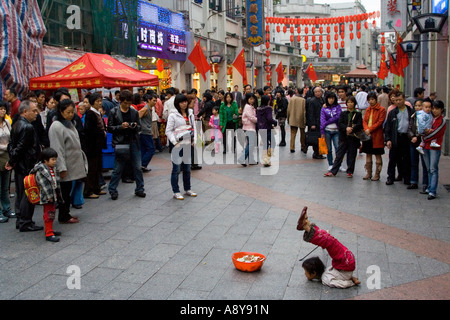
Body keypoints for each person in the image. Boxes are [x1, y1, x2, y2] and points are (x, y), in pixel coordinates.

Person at [297, 207, 360, 288]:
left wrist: (350, 283)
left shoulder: (325, 279)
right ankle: (307, 225)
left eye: (306, 272)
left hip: (345, 264)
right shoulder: (327, 272)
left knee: (329, 241)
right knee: (330, 241)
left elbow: (342, 284)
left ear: (313, 273)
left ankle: (306, 226)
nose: (304, 274)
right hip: (346, 262)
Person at [48, 99, 88, 224]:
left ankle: (66, 213)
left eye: (72, 112)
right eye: (68, 112)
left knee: (68, 189)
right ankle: (64, 215)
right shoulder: (56, 126)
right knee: (64, 192)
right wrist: (61, 167)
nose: (71, 114)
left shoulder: (69, 123)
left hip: (73, 163)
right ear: (61, 111)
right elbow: (57, 148)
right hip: (65, 165)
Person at [6, 100, 42, 231]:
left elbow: (12, 145)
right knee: (27, 194)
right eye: (34, 111)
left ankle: (22, 220)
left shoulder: (17, 124)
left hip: (21, 165)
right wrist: (12, 160)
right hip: (27, 166)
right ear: (25, 112)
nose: (36, 114)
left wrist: (12, 160)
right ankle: (25, 222)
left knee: (22, 193)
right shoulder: (27, 127)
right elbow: (19, 148)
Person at [107, 90, 146, 200]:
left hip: (133, 141)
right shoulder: (114, 112)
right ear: (120, 101)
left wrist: (134, 126)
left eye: (129, 103)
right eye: (125, 103)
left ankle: (140, 189)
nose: (127, 105)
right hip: (120, 142)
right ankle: (113, 189)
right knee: (118, 168)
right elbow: (110, 128)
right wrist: (120, 126)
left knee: (138, 167)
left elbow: (139, 126)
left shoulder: (133, 112)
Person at [165, 94, 197, 200]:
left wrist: (194, 141)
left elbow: (194, 128)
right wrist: (174, 142)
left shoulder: (190, 113)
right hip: (178, 145)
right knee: (176, 169)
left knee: (187, 168)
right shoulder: (173, 115)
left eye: (185, 102)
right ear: (177, 104)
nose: (184, 104)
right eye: (181, 102)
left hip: (188, 144)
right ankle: (176, 191)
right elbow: (168, 131)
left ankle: (187, 188)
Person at [324, 96, 362, 178]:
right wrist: (346, 128)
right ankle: (334, 171)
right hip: (344, 137)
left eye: (352, 102)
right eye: (348, 102)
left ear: (354, 103)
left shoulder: (358, 114)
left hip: (353, 137)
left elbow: (360, 124)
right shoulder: (343, 113)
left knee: (352, 154)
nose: (350, 104)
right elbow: (340, 123)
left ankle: (350, 171)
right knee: (339, 154)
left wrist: (352, 129)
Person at [30, 148, 62, 242]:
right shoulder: (42, 171)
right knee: (48, 214)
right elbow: (44, 185)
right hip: (47, 197)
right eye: (52, 159)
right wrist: (50, 196)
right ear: (45, 160)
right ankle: (48, 233)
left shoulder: (51, 168)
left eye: (55, 159)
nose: (54, 161)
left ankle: (50, 230)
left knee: (51, 213)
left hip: (52, 195)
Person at [384, 92, 414, 186]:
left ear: (404, 99)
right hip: (396, 137)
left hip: (407, 137)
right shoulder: (393, 112)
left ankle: (406, 177)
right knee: (393, 158)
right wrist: (388, 139)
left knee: (406, 159)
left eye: (400, 100)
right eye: (396, 100)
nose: (398, 102)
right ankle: (390, 177)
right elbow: (388, 127)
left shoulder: (410, 111)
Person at [421, 100, 447, 200]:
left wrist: (424, 138)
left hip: (434, 147)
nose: (434, 110)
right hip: (426, 147)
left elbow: (435, 133)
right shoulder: (429, 118)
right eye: (433, 108)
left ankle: (432, 191)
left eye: (437, 109)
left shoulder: (442, 121)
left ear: (441, 110)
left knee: (433, 169)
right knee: (428, 169)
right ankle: (429, 187)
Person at [83, 93, 107, 199]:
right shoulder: (90, 114)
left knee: (98, 168)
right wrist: (101, 133)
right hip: (92, 146)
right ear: (92, 102)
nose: (99, 103)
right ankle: (89, 190)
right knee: (92, 169)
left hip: (98, 145)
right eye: (97, 101)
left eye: (100, 101)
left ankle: (97, 188)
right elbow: (89, 130)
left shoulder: (98, 113)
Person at [361, 92, 387, 181]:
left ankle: (377, 173)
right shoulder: (368, 109)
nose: (371, 101)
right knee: (368, 154)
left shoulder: (381, 109)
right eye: (369, 100)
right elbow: (364, 121)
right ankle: (368, 172)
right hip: (368, 135)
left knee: (377, 154)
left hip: (377, 135)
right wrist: (366, 129)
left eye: (372, 99)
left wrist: (370, 129)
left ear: (376, 99)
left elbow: (380, 122)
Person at [407, 99, 429, 192]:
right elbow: (409, 128)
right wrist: (412, 136)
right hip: (414, 142)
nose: (418, 107)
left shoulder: (427, 117)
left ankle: (425, 184)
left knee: (425, 164)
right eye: (416, 106)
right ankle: (413, 181)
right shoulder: (413, 116)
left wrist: (419, 135)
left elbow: (426, 129)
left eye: (420, 106)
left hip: (423, 141)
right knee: (413, 163)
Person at [320, 91, 342, 169]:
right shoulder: (324, 108)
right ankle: (330, 164)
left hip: (336, 130)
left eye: (332, 98)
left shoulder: (338, 107)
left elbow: (338, 117)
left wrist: (327, 121)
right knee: (328, 149)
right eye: (329, 98)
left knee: (337, 148)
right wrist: (322, 131)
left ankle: (338, 164)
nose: (331, 100)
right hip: (327, 131)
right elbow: (322, 120)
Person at [0, 101, 13, 223]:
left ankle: (7, 208)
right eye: (0, 109)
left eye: (4, 109)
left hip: (7, 155)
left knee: (5, 186)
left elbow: (11, 137)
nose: (2, 111)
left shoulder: (7, 123)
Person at [257, 95, 277, 167]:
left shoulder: (258, 109)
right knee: (273, 143)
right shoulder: (268, 108)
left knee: (265, 144)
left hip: (261, 128)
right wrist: (275, 122)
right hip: (268, 128)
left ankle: (265, 160)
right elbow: (269, 118)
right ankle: (267, 159)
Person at [238, 93, 258, 166]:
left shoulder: (250, 106)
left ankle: (251, 160)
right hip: (249, 128)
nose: (252, 100)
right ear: (247, 100)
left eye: (253, 99)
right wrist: (259, 120)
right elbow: (251, 117)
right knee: (251, 144)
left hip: (249, 127)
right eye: (250, 99)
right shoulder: (248, 107)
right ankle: (242, 158)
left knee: (249, 144)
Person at [138, 93, 157, 172]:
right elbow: (137, 116)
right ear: (149, 100)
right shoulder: (145, 109)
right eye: (154, 100)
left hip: (146, 131)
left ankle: (141, 165)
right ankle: (143, 164)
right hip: (145, 132)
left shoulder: (150, 108)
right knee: (151, 149)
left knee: (144, 149)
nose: (155, 102)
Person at [306, 87, 325, 159]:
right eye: (316, 92)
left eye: (318, 92)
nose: (317, 93)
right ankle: (316, 152)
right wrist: (312, 124)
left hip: (322, 122)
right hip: (316, 122)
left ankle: (321, 152)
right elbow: (310, 113)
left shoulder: (323, 100)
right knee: (316, 138)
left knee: (322, 137)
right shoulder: (312, 101)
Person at [287, 89, 307, 154]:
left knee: (293, 133)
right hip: (301, 118)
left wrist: (288, 118)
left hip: (293, 118)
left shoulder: (292, 99)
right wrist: (305, 120)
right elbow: (304, 111)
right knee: (302, 133)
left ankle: (292, 147)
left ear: (297, 91)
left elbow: (288, 110)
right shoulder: (303, 100)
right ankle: (303, 146)